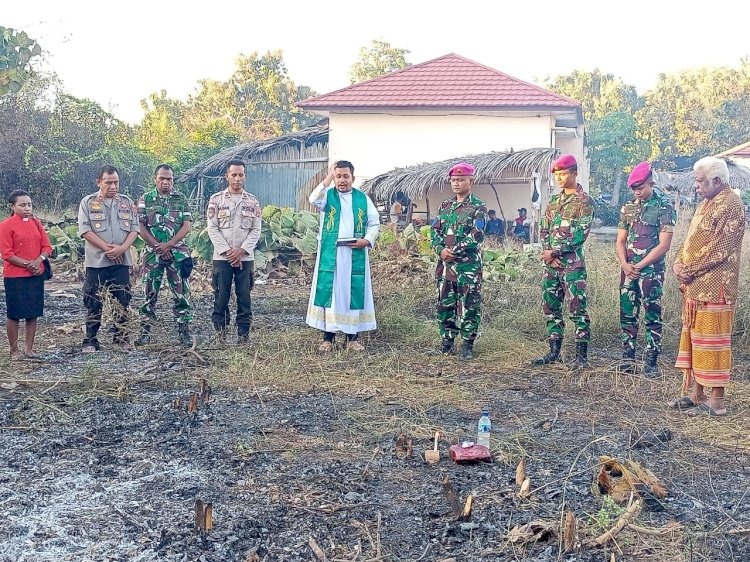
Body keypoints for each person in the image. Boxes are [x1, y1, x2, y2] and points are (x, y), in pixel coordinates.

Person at [671, 156, 745, 417]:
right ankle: (697, 394)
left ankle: (716, 402)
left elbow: (720, 250)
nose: (695, 185)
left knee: (713, 343)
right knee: (697, 341)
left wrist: (688, 271)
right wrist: (678, 263)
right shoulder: (706, 204)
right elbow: (691, 239)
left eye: (700, 180)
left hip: (716, 288)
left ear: (716, 180)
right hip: (695, 287)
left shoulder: (733, 205)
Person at [306, 160, 380, 352]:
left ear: (353, 178)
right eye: (338, 176)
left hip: (354, 253)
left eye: (345, 176)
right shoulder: (327, 196)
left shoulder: (363, 199)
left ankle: (352, 338)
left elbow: (374, 223)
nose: (342, 180)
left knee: (351, 293)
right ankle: (328, 338)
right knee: (330, 293)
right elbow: (313, 199)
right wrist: (328, 177)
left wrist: (367, 240)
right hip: (332, 253)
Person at [533, 154, 595, 368]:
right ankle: (554, 352)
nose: (559, 178)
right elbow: (543, 230)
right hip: (552, 266)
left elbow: (580, 234)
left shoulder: (584, 202)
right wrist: (547, 254)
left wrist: (555, 252)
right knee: (551, 308)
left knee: (577, 309)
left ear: (575, 174)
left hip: (572, 266)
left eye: (563, 174)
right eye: (557, 175)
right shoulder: (553, 201)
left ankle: (581, 358)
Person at [616, 162, 675, 376]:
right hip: (628, 269)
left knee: (652, 314)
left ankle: (651, 362)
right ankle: (628, 358)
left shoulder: (664, 206)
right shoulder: (628, 208)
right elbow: (620, 240)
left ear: (651, 182)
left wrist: (639, 266)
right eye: (634, 188)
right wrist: (625, 264)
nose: (637, 192)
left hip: (651, 271)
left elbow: (664, 244)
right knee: (627, 313)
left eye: (640, 187)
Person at [78, 164, 140, 352]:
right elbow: (85, 230)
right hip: (97, 262)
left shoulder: (127, 202)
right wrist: (107, 249)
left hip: (121, 261)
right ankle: (91, 339)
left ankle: (121, 338)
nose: (113, 186)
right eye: (108, 182)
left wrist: (121, 249)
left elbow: (134, 229)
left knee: (122, 299)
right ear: (99, 182)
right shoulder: (88, 203)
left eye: (116, 182)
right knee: (93, 300)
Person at [430, 162, 487, 360]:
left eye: (461, 179)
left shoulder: (478, 207)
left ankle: (467, 344)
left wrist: (452, 250)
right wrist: (440, 250)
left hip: (467, 266)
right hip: (445, 266)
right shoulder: (445, 206)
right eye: (454, 180)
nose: (456, 183)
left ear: (471, 181)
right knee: (445, 303)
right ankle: (447, 341)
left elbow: (477, 234)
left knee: (469, 304)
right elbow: (434, 230)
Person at [136, 164, 194, 347]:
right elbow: (141, 226)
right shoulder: (146, 199)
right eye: (162, 178)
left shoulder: (180, 199)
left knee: (181, 294)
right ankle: (145, 332)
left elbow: (186, 226)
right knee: (149, 294)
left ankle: (184, 332)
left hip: (177, 254)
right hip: (153, 255)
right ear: (155, 179)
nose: (165, 182)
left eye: (169, 179)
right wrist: (157, 246)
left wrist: (169, 245)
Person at [206, 159, 262, 343]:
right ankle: (220, 336)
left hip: (245, 259)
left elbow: (256, 229)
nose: (237, 178)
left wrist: (241, 251)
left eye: (241, 175)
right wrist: (228, 252)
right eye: (234, 175)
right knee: (221, 297)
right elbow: (212, 228)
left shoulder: (252, 201)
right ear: (227, 177)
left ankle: (243, 337)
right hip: (222, 258)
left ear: (245, 176)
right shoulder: (216, 200)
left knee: (244, 298)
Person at [0, 190, 53, 359]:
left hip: (36, 274)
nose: (27, 208)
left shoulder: (36, 223)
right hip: (15, 276)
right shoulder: (6, 225)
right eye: (22, 205)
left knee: (33, 312)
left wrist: (38, 261)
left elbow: (47, 247)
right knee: (14, 313)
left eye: (29, 204)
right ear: (12, 206)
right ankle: (14, 350)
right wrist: (28, 264)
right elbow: (7, 254)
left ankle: (29, 349)